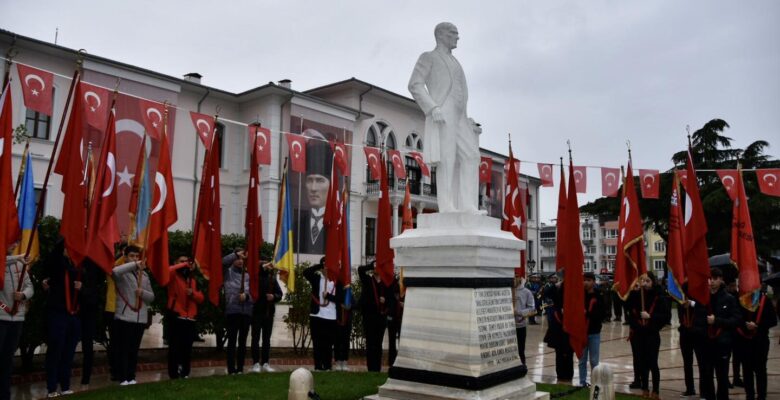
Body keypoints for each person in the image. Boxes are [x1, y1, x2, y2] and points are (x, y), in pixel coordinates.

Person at [408, 22, 482, 213]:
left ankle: (467, 205)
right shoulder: (429, 57)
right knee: (447, 158)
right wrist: (432, 108)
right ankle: (447, 204)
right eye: (454, 33)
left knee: (472, 156)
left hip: (460, 116)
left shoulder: (456, 62)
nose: (458, 37)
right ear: (441, 35)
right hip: (443, 112)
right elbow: (415, 84)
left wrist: (467, 118)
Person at [693, 267, 739, 400]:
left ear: (721, 280)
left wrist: (717, 321)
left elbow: (735, 319)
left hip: (722, 344)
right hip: (706, 344)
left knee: (722, 377)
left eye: (714, 279)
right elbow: (697, 320)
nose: (711, 282)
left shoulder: (729, 298)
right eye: (709, 279)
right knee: (707, 376)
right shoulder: (702, 299)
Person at [44, 240, 83, 397]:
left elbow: (88, 292)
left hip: (74, 316)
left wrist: (82, 287)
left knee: (68, 353)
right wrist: (69, 236)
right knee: (55, 351)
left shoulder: (77, 268)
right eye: (68, 249)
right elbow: (53, 260)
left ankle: (65, 385)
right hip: (57, 314)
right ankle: (52, 388)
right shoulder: (57, 266)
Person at [112, 246, 154, 386]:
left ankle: (131, 376)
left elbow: (151, 297)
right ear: (125, 257)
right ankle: (123, 377)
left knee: (134, 350)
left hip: (140, 318)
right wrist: (134, 265)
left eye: (137, 256)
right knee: (123, 349)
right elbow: (115, 271)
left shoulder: (145, 276)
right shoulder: (122, 273)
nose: (135, 259)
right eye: (132, 256)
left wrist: (142, 293)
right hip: (125, 317)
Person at [627, 272, 669, 398]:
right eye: (643, 281)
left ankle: (655, 390)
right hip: (639, 334)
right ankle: (644, 388)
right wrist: (633, 291)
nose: (645, 283)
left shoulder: (659, 296)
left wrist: (650, 317)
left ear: (653, 282)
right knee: (642, 363)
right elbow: (629, 311)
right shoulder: (637, 295)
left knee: (652, 363)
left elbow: (666, 316)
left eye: (648, 281)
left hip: (652, 334)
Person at [1, 245, 32, 400]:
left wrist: (24, 295)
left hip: (17, 318)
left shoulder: (20, 264)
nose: (13, 245)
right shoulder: (7, 261)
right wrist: (17, 257)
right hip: (1, 317)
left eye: (15, 242)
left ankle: (5, 395)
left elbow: (30, 287)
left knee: (8, 359)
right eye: (10, 242)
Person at [735, 286, 777, 400]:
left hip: (760, 341)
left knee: (760, 370)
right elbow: (736, 318)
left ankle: (762, 396)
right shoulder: (741, 300)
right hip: (744, 341)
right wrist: (745, 325)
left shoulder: (764, 300)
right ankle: (750, 395)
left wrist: (757, 325)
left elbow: (773, 320)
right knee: (747, 370)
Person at [166, 256, 204, 379]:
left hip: (190, 317)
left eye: (186, 262)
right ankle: (173, 373)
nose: (185, 264)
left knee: (187, 347)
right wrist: (183, 265)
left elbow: (201, 298)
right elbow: (168, 270)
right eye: (181, 261)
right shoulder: (173, 276)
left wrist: (192, 293)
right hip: (177, 315)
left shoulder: (192, 279)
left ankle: (185, 372)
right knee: (175, 346)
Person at [295, 138, 332, 255]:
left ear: (331, 185)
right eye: (310, 180)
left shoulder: (336, 227)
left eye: (320, 180)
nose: (313, 188)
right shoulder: (297, 225)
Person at [223, 249, 253, 374]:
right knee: (232, 342)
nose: (240, 261)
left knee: (242, 342)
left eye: (242, 259)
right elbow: (222, 263)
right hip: (232, 311)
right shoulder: (227, 272)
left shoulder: (248, 275)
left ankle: (240, 368)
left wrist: (246, 297)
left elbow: (254, 293)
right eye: (238, 258)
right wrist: (234, 254)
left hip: (246, 312)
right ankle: (231, 369)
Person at [305, 257, 337, 371]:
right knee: (317, 342)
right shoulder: (316, 278)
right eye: (324, 266)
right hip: (317, 315)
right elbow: (306, 272)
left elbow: (340, 299)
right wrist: (320, 266)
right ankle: (318, 366)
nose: (326, 268)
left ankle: (327, 366)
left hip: (331, 316)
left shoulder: (336, 280)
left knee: (328, 343)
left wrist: (329, 296)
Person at [358, 261, 391, 372]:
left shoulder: (385, 283)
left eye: (379, 266)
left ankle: (377, 368)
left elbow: (391, 300)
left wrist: (385, 301)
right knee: (370, 344)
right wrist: (371, 265)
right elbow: (360, 270)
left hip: (381, 318)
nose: (377, 268)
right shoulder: (368, 280)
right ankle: (371, 368)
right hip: (369, 317)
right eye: (375, 266)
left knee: (378, 344)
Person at [250, 260, 282, 373]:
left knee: (266, 340)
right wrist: (262, 267)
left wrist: (273, 296)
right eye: (264, 266)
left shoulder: (272, 279)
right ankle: (255, 363)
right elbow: (256, 272)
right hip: (256, 313)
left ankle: (265, 363)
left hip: (268, 313)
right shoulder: (255, 278)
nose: (268, 267)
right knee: (255, 339)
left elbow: (280, 294)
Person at [78, 258, 104, 388]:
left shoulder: (94, 261)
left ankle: (85, 380)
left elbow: (96, 286)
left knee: (87, 345)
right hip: (69, 308)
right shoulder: (71, 260)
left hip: (88, 308)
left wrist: (83, 289)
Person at [543, 275, 573, 381]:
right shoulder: (556, 290)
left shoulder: (573, 291)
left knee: (569, 352)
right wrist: (556, 285)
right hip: (558, 327)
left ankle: (568, 375)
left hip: (570, 324)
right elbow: (545, 293)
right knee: (559, 353)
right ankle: (560, 375)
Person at [579, 272, 604, 387]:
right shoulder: (580, 295)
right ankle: (582, 381)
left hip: (594, 332)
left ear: (594, 282)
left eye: (589, 280)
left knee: (594, 361)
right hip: (582, 332)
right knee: (582, 360)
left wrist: (588, 313)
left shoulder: (599, 295)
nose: (586, 282)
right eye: (584, 280)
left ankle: (595, 382)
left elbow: (601, 314)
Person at [677, 283, 698, 397]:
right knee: (687, 363)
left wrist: (692, 304)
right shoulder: (681, 301)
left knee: (702, 363)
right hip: (685, 334)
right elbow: (681, 316)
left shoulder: (699, 297)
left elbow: (703, 308)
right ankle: (690, 388)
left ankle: (704, 390)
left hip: (698, 334)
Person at [514, 277, 535, 365]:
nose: (513, 279)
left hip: (520, 325)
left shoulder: (526, 292)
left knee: (520, 350)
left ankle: (522, 366)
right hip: (507, 326)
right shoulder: (506, 290)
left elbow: (532, 310)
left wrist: (519, 313)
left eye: (515, 277)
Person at [725, 280, 743, 388]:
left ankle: (737, 378)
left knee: (738, 357)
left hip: (738, 332)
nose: (734, 287)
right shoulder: (725, 297)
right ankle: (725, 379)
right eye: (732, 285)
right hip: (727, 331)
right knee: (726, 357)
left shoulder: (739, 297)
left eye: (735, 285)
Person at [333, 280, 353, 371]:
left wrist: (350, 306)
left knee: (346, 341)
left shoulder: (349, 291)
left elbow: (355, 303)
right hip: (337, 320)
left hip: (347, 321)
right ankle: (337, 361)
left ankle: (344, 361)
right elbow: (335, 298)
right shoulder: (337, 289)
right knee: (337, 341)